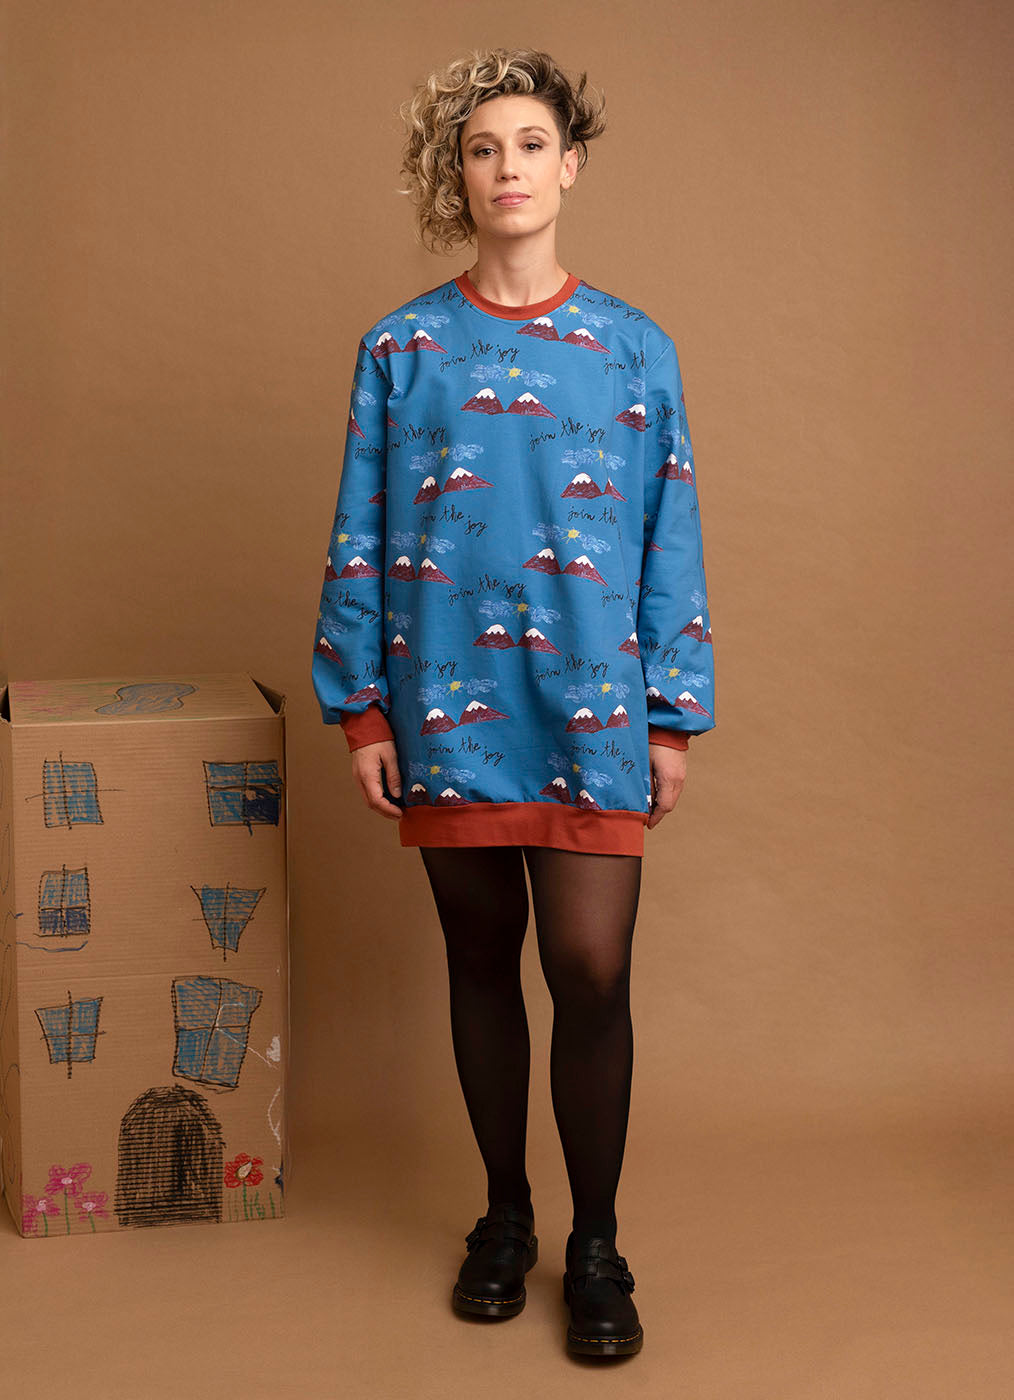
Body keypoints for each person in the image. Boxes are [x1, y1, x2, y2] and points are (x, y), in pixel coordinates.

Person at [311, 46, 717, 1359]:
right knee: (479, 961)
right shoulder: (402, 349)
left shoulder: (635, 348)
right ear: (460, 172)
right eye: (482, 147)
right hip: (447, 700)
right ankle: (504, 1217)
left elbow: (668, 536)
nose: (507, 168)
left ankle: (596, 1245)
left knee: (589, 970)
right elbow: (362, 529)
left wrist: (670, 714)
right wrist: (363, 710)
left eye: (530, 143)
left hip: (592, 705)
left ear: (569, 164)